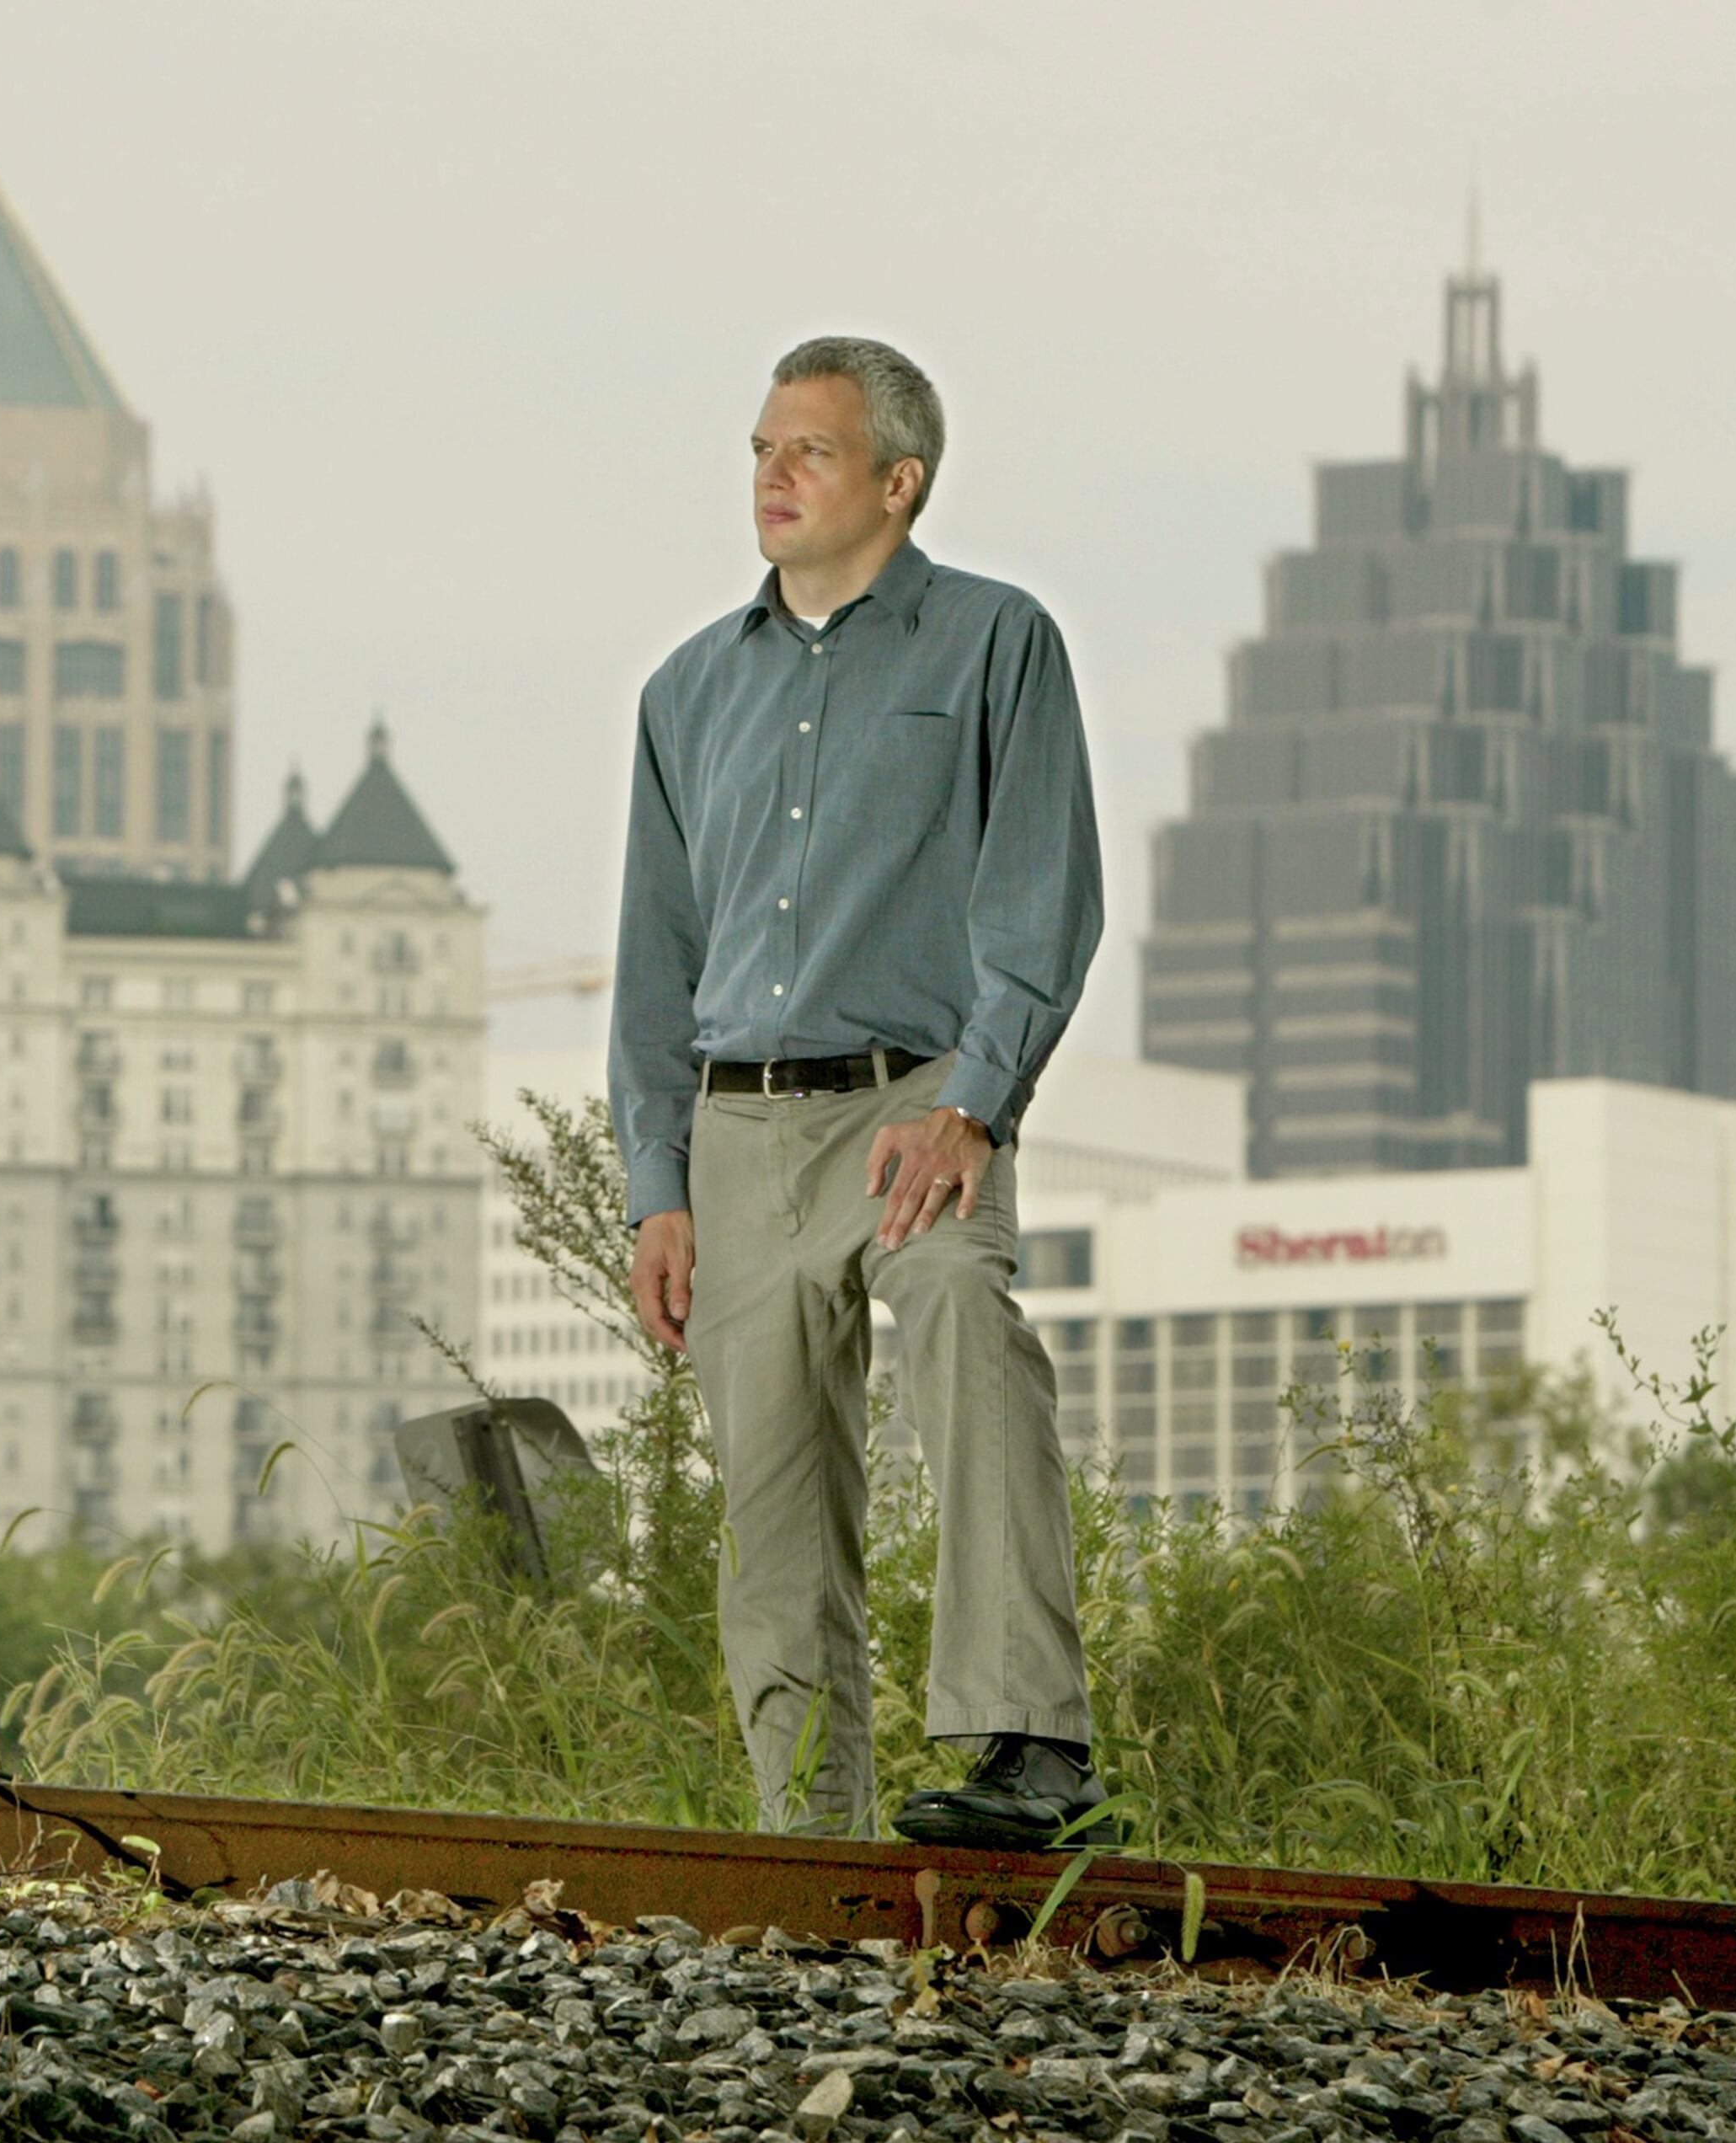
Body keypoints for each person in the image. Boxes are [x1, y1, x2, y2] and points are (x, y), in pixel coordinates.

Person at [608, 335, 1110, 1846]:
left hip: (918, 1113)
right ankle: (805, 1844)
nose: (771, 476)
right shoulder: (687, 691)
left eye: (806, 452)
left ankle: (1029, 1748)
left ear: (897, 483)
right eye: (761, 448)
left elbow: (1045, 897)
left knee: (963, 1317)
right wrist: (657, 1188)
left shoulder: (996, 643)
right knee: (769, 1499)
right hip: (737, 1129)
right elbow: (655, 957)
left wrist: (980, 1099)